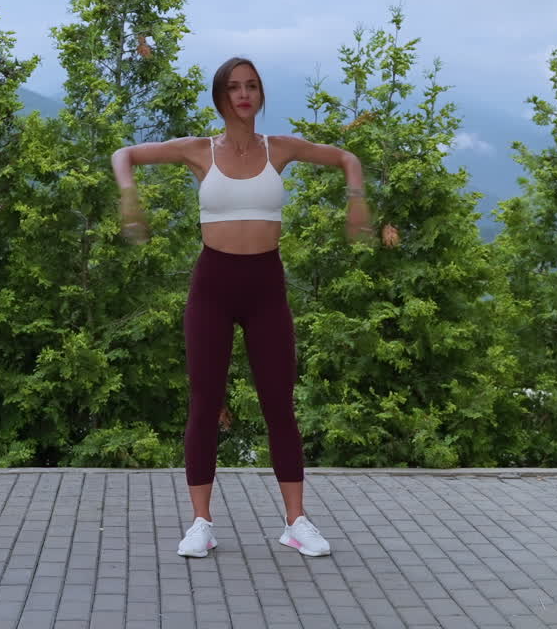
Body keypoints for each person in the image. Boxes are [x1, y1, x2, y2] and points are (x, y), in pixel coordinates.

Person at [110, 57, 399, 558]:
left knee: (278, 406)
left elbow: (347, 158)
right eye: (234, 87)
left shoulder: (279, 149)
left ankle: (296, 522)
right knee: (204, 403)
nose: (244, 94)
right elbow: (124, 154)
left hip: (266, 285)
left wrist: (357, 202)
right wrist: (130, 198)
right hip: (213, 286)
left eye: (252, 86)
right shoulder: (199, 151)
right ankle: (201, 523)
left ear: (261, 95)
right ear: (220, 96)